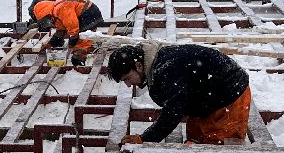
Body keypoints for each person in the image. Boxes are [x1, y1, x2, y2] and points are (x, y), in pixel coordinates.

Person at [106, 41, 251, 145]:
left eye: (127, 78)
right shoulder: (157, 62)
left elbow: (173, 113)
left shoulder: (164, 70)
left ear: (138, 66)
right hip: (208, 94)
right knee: (195, 142)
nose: (128, 84)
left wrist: (145, 139)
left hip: (231, 94)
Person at [30, 0, 103, 64]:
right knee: (76, 39)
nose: (48, 23)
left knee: (83, 39)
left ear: (47, 14)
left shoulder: (61, 9)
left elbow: (73, 29)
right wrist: (51, 43)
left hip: (89, 14)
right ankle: (80, 54)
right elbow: (61, 30)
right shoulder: (54, 13)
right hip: (83, 15)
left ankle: (81, 57)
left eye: (46, 20)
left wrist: (72, 42)